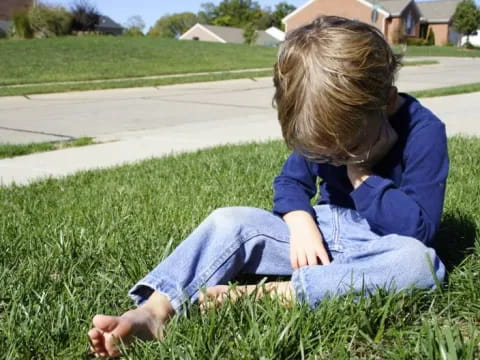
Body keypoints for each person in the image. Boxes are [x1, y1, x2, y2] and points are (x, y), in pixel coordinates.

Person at [88, 16, 448, 357]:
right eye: (323, 153)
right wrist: (299, 221)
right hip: (320, 233)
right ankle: (155, 309)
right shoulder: (325, 124)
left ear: (385, 102)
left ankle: (279, 294)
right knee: (230, 220)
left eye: (347, 149)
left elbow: (418, 230)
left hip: (379, 244)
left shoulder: (424, 133)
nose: (335, 160)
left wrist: (361, 175)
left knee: (420, 264)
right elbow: (291, 181)